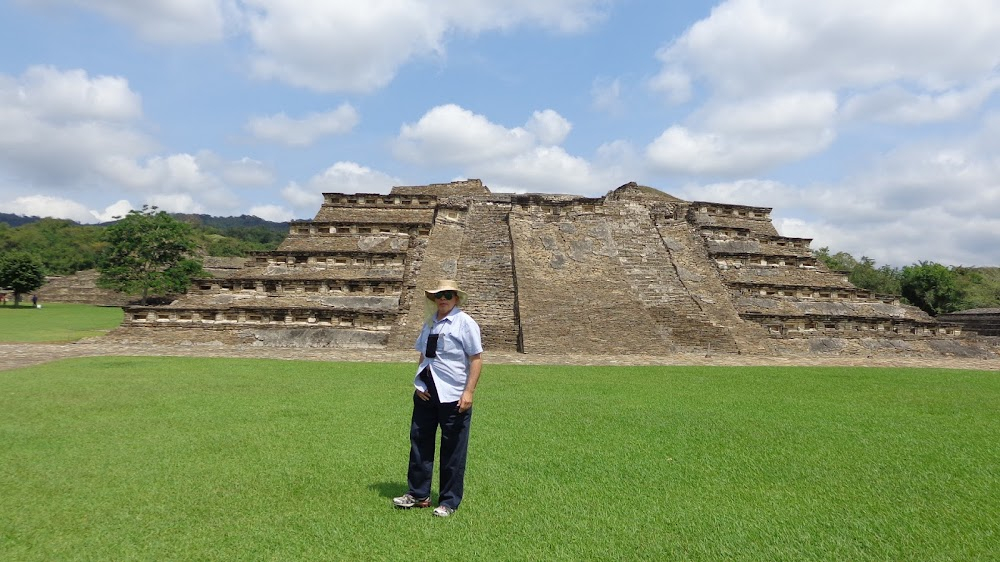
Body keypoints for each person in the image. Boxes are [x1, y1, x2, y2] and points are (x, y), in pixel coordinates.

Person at [393, 279, 483, 517]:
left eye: (447, 294)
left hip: (453, 393)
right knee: (420, 442)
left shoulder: (465, 323)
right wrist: (418, 382)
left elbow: (476, 359)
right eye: (438, 295)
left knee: (453, 449)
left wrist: (469, 392)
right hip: (427, 391)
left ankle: (449, 501)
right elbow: (424, 355)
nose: (442, 299)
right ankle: (418, 494)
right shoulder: (430, 323)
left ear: (456, 298)